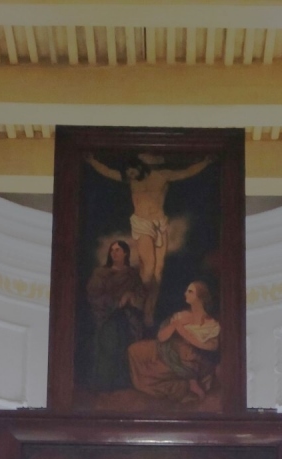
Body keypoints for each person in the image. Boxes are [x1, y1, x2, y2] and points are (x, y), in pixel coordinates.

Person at [86, 152, 212, 311]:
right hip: (142, 224)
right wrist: (92, 161)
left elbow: (186, 172)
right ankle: (139, 301)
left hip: (160, 223)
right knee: (148, 267)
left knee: (158, 270)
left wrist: (205, 163)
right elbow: (109, 172)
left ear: (142, 167)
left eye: (134, 170)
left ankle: (149, 308)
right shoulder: (132, 179)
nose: (131, 174)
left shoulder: (162, 175)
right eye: (129, 172)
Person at [128, 282, 220, 403]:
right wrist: (175, 325)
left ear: (200, 297)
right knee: (134, 350)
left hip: (189, 358)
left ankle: (183, 387)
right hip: (168, 349)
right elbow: (161, 337)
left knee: (148, 376)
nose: (185, 293)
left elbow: (212, 347)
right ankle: (185, 382)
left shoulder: (211, 324)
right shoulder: (182, 315)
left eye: (190, 291)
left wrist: (184, 334)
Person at [84, 240, 145, 390]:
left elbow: (141, 294)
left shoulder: (132, 275)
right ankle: (104, 384)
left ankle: (122, 383)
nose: (114, 253)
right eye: (112, 250)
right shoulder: (101, 273)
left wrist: (130, 296)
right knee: (108, 345)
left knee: (126, 346)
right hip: (107, 316)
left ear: (125, 253)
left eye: (118, 250)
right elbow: (94, 295)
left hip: (127, 317)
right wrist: (117, 302)